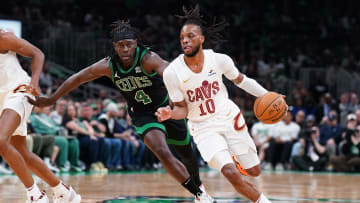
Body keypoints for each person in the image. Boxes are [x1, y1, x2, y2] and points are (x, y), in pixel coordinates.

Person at [27, 20, 213, 201]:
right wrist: (52, 98)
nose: (125, 49)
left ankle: (199, 186)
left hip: (166, 107)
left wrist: (181, 97)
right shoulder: (108, 65)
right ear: (114, 46)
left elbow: (171, 73)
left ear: (135, 44)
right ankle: (199, 195)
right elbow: (78, 78)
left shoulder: (148, 59)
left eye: (129, 45)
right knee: (162, 151)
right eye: (121, 45)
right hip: (142, 114)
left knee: (187, 154)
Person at [155, 5, 274, 203]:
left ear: (201, 39)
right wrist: (170, 113)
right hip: (202, 128)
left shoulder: (219, 60)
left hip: (228, 116)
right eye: (182, 37)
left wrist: (268, 95)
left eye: (191, 36)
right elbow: (181, 108)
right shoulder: (172, 72)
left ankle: (238, 157)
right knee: (230, 172)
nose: (185, 40)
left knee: (254, 171)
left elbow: (242, 80)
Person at [0, 29, 80, 202]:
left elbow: (37, 53)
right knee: (21, 151)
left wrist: (35, 82)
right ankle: (63, 191)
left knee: (0, 140)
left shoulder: (3, 38)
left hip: (19, 90)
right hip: (1, 99)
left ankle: (36, 195)